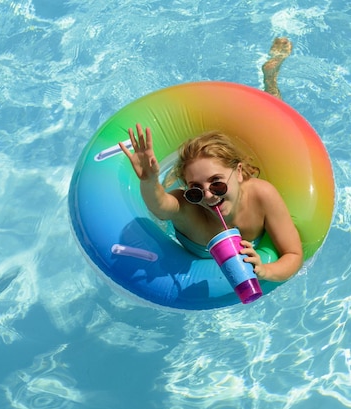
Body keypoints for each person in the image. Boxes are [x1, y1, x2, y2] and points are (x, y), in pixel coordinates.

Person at [119, 37, 302, 283]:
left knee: (273, 120)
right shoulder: (188, 208)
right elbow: (160, 206)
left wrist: (265, 270)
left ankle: (270, 79)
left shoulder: (261, 196)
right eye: (195, 190)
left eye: (217, 183)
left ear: (238, 173)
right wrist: (149, 180)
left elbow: (293, 254)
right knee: (187, 172)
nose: (208, 196)